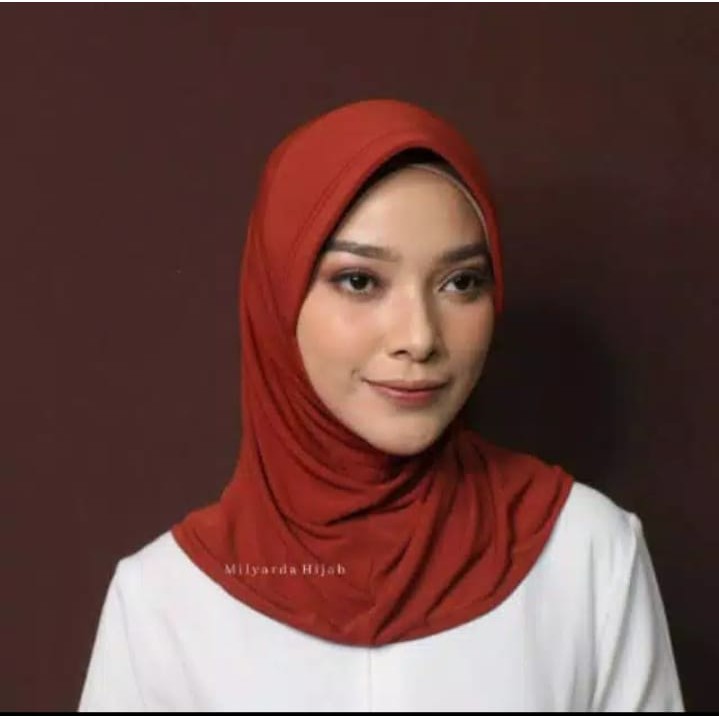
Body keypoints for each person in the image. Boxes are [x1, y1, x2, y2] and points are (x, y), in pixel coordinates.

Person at [78, 99, 684, 712]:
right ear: (277, 298)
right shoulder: (163, 603)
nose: (419, 337)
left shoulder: (588, 555)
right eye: (360, 281)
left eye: (461, 282)